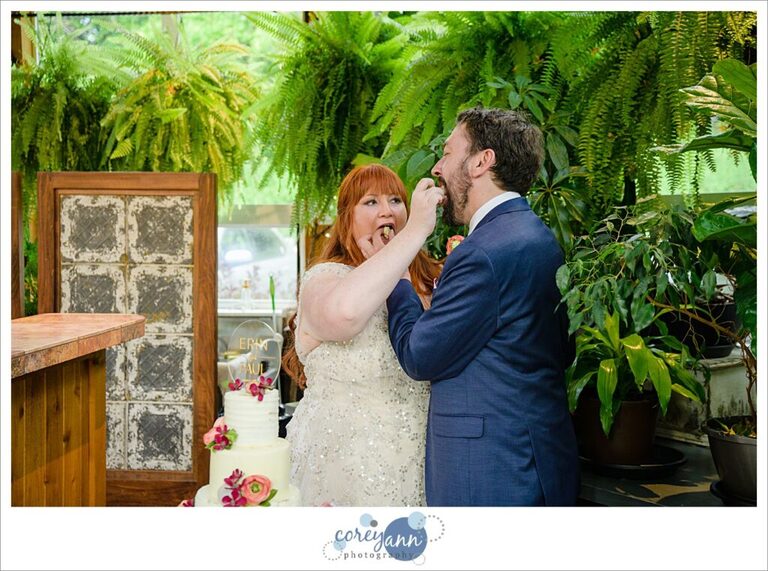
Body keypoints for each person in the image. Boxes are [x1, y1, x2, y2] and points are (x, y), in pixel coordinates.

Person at [386, 107, 580, 506]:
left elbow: (420, 355)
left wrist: (400, 282)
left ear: (481, 161)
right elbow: (559, 350)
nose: (438, 167)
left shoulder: (483, 253)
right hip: (537, 456)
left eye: (448, 152)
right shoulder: (537, 235)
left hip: (491, 470)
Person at [282, 163, 444, 506]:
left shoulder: (430, 283)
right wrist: (413, 235)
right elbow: (345, 314)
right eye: (370, 202)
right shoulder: (325, 279)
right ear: (347, 217)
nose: (386, 210)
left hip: (419, 460)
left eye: (396, 201)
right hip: (341, 463)